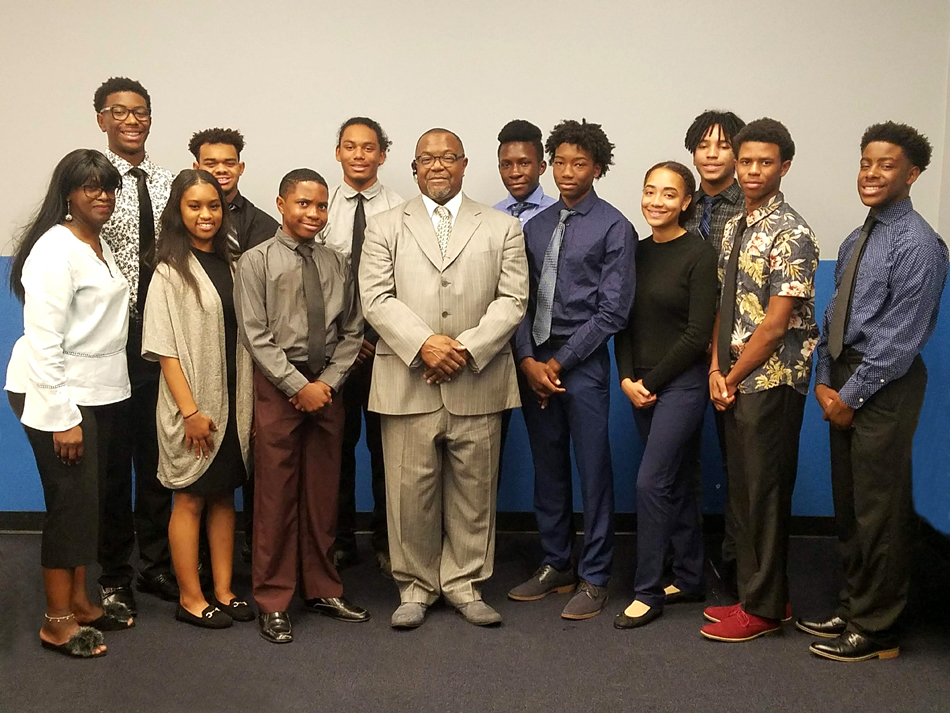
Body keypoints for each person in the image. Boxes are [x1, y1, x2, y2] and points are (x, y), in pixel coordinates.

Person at [359, 128, 528, 629]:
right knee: (408, 495)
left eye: (448, 157)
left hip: (478, 379)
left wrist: (464, 350)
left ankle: (465, 585)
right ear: (414, 167)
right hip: (406, 380)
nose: (438, 165)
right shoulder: (384, 226)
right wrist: (425, 345)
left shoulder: (502, 227)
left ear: (464, 164)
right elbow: (375, 297)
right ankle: (414, 588)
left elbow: (512, 299)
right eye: (427, 158)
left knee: (475, 495)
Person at [804, 122, 948, 662]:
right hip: (843, 378)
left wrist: (849, 396)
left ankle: (878, 629)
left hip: (882, 386)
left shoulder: (920, 246)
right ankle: (854, 605)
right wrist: (825, 380)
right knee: (851, 507)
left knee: (879, 512)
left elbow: (899, 340)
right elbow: (834, 315)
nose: (871, 173)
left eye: (886, 165)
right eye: (866, 162)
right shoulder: (856, 237)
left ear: (912, 175)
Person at [5, 149, 133, 658]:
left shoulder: (96, 243)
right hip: (55, 393)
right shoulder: (53, 250)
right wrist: (63, 419)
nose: (104, 196)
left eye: (109, 187)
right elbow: (44, 343)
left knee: (89, 504)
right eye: (91, 187)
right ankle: (56, 622)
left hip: (98, 390)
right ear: (68, 194)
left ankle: (80, 603)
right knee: (70, 505)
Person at [510, 119, 636, 620]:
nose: (566, 172)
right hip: (535, 362)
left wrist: (558, 363)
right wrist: (528, 361)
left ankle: (596, 575)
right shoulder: (535, 226)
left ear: (597, 169)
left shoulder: (614, 227)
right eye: (559, 162)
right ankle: (556, 562)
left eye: (578, 163)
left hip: (581, 363)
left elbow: (613, 311)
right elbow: (518, 298)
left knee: (593, 469)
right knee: (548, 467)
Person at [235, 169, 368, 644]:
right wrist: (297, 385)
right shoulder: (256, 261)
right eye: (303, 204)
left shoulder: (337, 262)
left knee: (323, 494)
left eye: (321, 206)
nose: (313, 213)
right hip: (279, 385)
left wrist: (327, 383)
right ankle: (273, 599)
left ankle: (322, 588)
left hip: (328, 386)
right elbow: (254, 334)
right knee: (274, 497)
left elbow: (353, 330)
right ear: (281, 204)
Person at [701, 118, 819, 642]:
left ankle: (765, 611)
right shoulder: (735, 225)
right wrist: (715, 369)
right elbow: (723, 306)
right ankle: (759, 595)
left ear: (784, 167)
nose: (752, 170)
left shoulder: (793, 233)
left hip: (772, 380)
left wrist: (730, 376)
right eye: (745, 161)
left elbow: (774, 326)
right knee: (744, 494)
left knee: (766, 496)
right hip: (733, 378)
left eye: (764, 162)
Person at [142, 169, 255, 629]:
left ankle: (224, 590)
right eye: (194, 206)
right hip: (194, 407)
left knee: (224, 497)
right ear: (178, 211)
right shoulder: (169, 270)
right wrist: (190, 412)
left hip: (234, 402)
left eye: (213, 205)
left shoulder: (234, 263)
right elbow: (164, 349)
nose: (205, 214)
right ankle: (190, 597)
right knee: (189, 499)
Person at [613, 162, 717, 629]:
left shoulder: (699, 254)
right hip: (639, 384)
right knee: (681, 480)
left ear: (686, 202)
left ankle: (647, 591)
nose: (657, 201)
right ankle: (691, 576)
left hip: (681, 384)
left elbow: (697, 335)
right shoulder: (634, 252)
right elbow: (622, 322)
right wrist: (625, 379)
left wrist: (649, 384)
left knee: (651, 483)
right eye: (650, 191)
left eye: (669, 194)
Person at [94, 76, 176, 614]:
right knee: (109, 465)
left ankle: (156, 565)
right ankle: (113, 573)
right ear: (101, 119)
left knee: (156, 459)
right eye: (119, 111)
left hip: (161, 341)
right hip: (109, 343)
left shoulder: (169, 182)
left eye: (140, 111)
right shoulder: (90, 181)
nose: (131, 120)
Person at [188, 127, 279, 562]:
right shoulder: (181, 226)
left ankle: (254, 554)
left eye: (229, 163)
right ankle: (200, 561)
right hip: (200, 360)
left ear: (241, 167)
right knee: (201, 466)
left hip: (254, 358)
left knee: (255, 460)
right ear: (196, 167)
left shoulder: (263, 225)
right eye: (211, 163)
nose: (221, 170)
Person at [321, 117, 404, 577]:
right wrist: (345, 341)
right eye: (350, 146)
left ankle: (388, 541)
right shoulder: (321, 207)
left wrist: (374, 338)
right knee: (335, 447)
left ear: (382, 155)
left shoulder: (401, 209)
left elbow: (407, 283)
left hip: (386, 349)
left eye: (368, 148)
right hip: (334, 351)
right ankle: (339, 541)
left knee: (387, 450)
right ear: (338, 153)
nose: (359, 155)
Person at [681, 110, 746, 598]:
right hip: (682, 348)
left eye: (723, 145)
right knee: (678, 459)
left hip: (733, 353)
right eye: (703, 145)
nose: (712, 154)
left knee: (739, 463)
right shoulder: (683, 203)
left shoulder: (749, 206)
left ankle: (741, 565)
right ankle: (684, 562)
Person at [494, 119, 557, 226]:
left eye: (524, 163)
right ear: (499, 168)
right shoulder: (491, 216)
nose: (515, 173)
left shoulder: (558, 214)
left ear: (541, 167)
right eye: (506, 165)